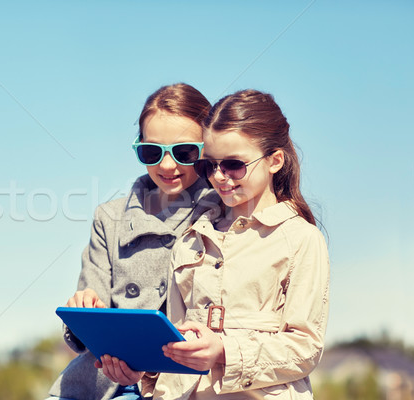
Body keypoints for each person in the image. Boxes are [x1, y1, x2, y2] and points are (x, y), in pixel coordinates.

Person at [100, 89, 330, 399]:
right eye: (209, 166)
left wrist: (223, 351)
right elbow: (177, 338)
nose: (220, 177)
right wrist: (141, 368)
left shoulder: (302, 239)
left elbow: (305, 348)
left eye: (234, 165)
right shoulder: (191, 238)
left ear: (275, 160)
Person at [47, 83, 220, 400]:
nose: (167, 166)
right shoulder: (108, 219)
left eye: (183, 152)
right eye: (152, 152)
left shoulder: (227, 214)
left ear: (207, 149)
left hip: (180, 386)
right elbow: (90, 320)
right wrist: (83, 310)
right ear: (138, 147)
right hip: (100, 382)